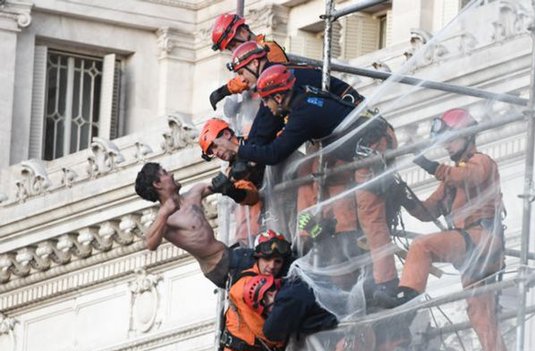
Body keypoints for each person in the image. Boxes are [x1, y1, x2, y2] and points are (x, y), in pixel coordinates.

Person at [217, 64, 400, 301]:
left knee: (369, 212)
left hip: (373, 147)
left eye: (267, 102)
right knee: (310, 174)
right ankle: (323, 234)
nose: (267, 109)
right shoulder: (303, 100)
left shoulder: (304, 113)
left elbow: (274, 153)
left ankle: (387, 282)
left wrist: (237, 147)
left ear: (280, 96)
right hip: (353, 151)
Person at [373, 108, 511, 351]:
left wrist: (428, 164)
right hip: (474, 251)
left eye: (450, 139)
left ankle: (406, 299)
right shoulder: (450, 179)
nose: (447, 145)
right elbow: (428, 211)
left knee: (422, 246)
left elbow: (467, 178)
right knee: (480, 316)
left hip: (482, 240)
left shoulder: (481, 162)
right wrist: (405, 199)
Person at [134, 162, 256, 288]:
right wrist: (163, 214)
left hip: (228, 255)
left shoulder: (194, 193)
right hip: (220, 266)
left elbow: (221, 182)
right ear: (157, 184)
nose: (171, 174)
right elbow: (150, 244)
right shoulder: (167, 220)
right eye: (165, 173)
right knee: (267, 261)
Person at [220, 230, 291, 351]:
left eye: (278, 261)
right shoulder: (248, 285)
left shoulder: (266, 279)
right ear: (257, 258)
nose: (272, 266)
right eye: (267, 259)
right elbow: (262, 294)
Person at [199, 118, 264, 245]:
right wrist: (231, 190)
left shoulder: (255, 137)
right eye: (212, 152)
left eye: (216, 146)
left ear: (227, 134)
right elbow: (250, 195)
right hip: (271, 210)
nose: (217, 153)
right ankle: (245, 242)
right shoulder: (231, 172)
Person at [209, 12, 289, 111]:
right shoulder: (257, 50)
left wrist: (225, 90)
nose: (234, 52)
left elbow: (264, 77)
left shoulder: (268, 47)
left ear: (243, 32)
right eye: (230, 49)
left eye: (233, 45)